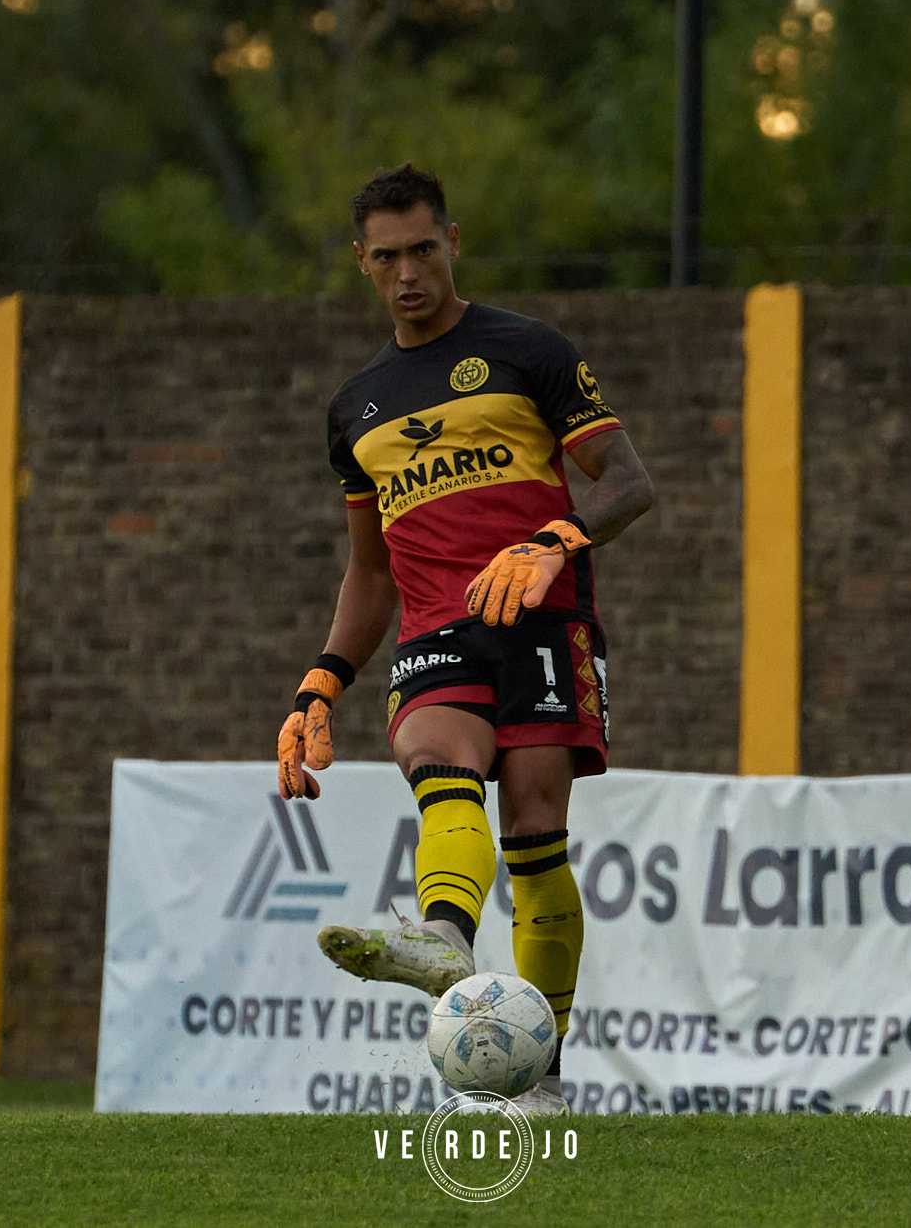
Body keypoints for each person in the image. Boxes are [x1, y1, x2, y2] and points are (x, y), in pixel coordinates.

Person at [276, 164, 655, 1114]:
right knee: (435, 755)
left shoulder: (529, 352)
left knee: (535, 834)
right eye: (388, 257)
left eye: (424, 250)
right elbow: (369, 572)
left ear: (454, 243)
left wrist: (555, 537)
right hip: (435, 627)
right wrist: (321, 681)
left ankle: (542, 1077)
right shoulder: (356, 408)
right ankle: (444, 939)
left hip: (544, 620)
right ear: (362, 264)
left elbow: (627, 480)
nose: (409, 272)